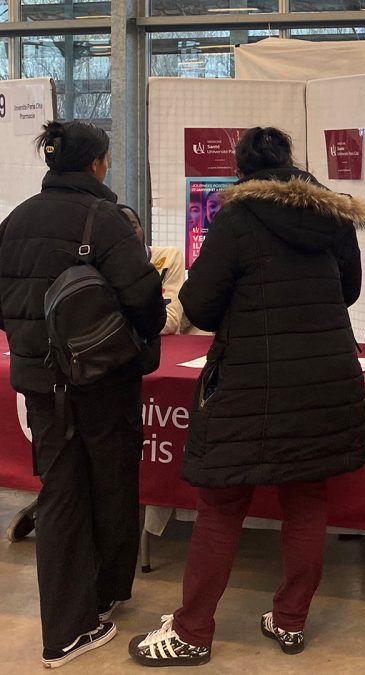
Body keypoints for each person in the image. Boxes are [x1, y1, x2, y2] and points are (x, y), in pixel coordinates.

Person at [128, 126, 365, 667]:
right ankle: (290, 620)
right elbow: (348, 290)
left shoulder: (235, 218)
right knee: (306, 499)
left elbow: (203, 306)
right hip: (325, 377)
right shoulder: (333, 214)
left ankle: (191, 632)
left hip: (249, 380)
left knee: (220, 502)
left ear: (241, 172)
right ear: (291, 164)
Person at [0, 121, 166, 668]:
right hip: (101, 381)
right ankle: (83, 616)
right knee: (108, 486)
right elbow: (145, 298)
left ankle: (76, 620)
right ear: (98, 163)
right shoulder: (105, 220)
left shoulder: (16, 219)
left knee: (60, 493)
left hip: (38, 383)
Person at [119, 205, 185, 335]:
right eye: (121, 229)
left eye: (133, 226)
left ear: (142, 229)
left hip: (167, 347)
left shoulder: (169, 257)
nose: (130, 233)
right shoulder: (103, 265)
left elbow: (170, 320)